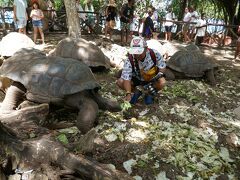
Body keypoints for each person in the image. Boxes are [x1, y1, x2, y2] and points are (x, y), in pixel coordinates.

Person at [116, 36, 166, 105]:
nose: (137, 55)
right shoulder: (130, 59)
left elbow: (162, 66)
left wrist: (159, 74)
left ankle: (149, 93)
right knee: (120, 81)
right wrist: (128, 93)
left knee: (162, 82)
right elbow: (126, 78)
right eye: (135, 52)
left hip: (151, 78)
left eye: (139, 52)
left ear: (146, 48)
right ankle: (136, 92)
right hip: (137, 78)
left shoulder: (154, 54)